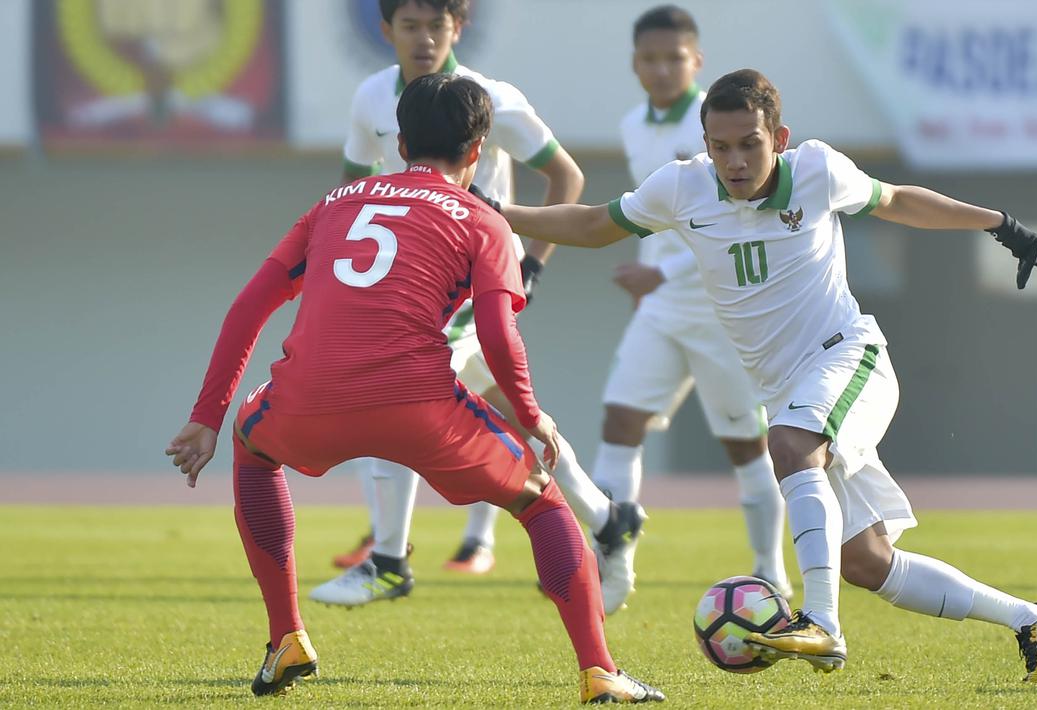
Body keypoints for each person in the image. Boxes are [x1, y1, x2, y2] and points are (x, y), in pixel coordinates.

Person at [482, 68, 1037, 683]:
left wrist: (996, 223)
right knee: (867, 563)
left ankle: (820, 621)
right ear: (704, 144)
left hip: (848, 357)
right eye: (720, 147)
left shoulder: (817, 170)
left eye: (749, 144)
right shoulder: (682, 189)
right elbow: (591, 225)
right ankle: (1033, 618)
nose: (734, 161)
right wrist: (500, 212)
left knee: (789, 445)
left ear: (779, 138)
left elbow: (896, 199)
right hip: (789, 390)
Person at [165, 73, 664, 703]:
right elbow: (496, 331)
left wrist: (207, 415)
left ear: (401, 143)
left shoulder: (332, 203)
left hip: (307, 401)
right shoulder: (485, 220)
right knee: (541, 503)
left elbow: (248, 307)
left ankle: (286, 638)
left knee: (252, 446)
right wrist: (532, 416)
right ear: (479, 151)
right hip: (421, 405)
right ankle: (599, 671)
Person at [317, 0, 642, 603]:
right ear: (385, 30)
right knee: (520, 421)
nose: (423, 39)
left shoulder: (489, 98)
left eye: (436, 26)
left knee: (395, 386)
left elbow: (565, 177)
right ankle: (607, 518)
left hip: (468, 288)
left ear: (458, 28)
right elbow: (352, 191)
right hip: (411, 285)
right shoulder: (371, 99)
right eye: (410, 26)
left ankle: (389, 560)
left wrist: (533, 265)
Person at [594, 5, 789, 615]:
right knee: (618, 425)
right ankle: (614, 564)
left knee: (745, 447)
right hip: (659, 309)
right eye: (649, 59)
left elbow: (732, 220)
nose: (661, 69)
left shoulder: (720, 125)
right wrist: (651, 273)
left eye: (673, 58)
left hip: (719, 309)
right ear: (634, 64)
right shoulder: (631, 124)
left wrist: (664, 269)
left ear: (695, 61)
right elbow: (655, 214)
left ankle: (770, 571)